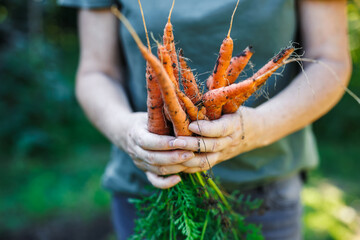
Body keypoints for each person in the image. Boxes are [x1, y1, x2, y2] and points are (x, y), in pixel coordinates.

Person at [59, 0, 351, 239]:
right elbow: (96, 72)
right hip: (148, 190)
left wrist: (257, 127)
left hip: (265, 193)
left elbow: (330, 60)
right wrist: (126, 132)